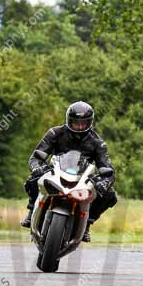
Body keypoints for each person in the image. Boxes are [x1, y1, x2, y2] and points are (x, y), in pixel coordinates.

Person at [21, 101, 117, 242]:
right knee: (32, 179)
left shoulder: (98, 143)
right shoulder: (55, 133)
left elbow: (107, 169)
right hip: (56, 172)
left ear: (89, 123)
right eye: (75, 123)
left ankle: (87, 224)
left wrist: (104, 181)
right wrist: (37, 167)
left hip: (82, 178)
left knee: (110, 195)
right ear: (68, 120)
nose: (79, 126)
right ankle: (31, 212)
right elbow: (36, 157)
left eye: (83, 123)